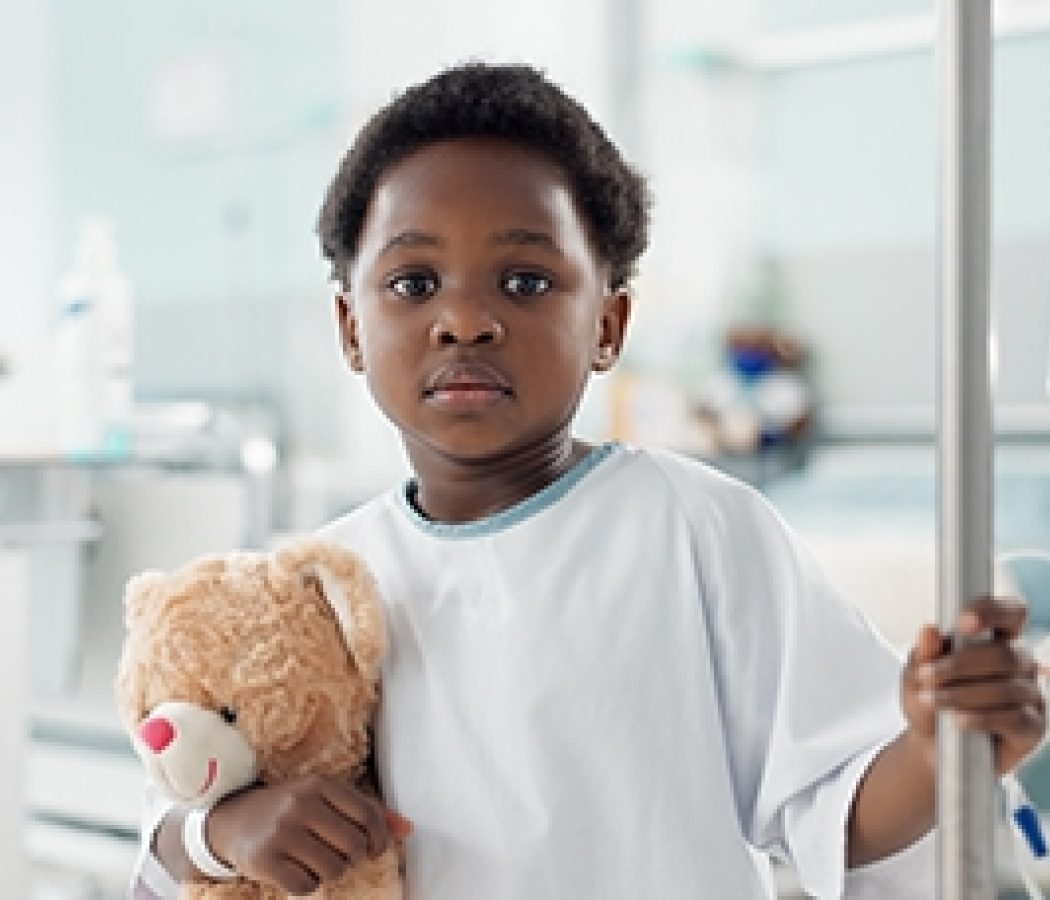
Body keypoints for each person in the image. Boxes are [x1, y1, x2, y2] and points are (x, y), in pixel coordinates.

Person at [131, 62, 1046, 899]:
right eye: (413, 284)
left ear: (608, 324)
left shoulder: (697, 529)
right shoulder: (315, 588)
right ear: (349, 327)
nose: (466, 320)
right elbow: (172, 834)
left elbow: (836, 806)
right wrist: (222, 833)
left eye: (525, 282)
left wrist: (938, 747)